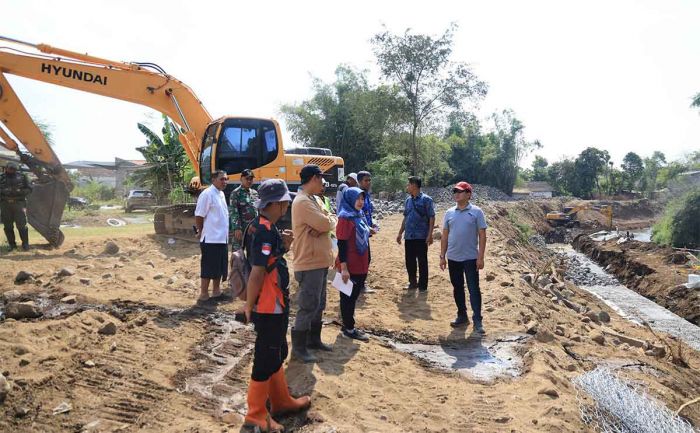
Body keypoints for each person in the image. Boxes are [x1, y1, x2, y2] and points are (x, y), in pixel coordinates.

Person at [242, 179, 310, 432]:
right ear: (278, 204)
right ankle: (256, 415)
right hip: (268, 305)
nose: (287, 206)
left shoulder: (262, 227)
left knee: (276, 352)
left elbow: (268, 261)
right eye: (285, 202)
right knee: (265, 357)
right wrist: (249, 306)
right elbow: (258, 272)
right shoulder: (264, 231)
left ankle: (280, 401)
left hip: (275, 303)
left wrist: (286, 246)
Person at [291, 164, 337, 363]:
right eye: (321, 179)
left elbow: (331, 219)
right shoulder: (302, 202)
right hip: (308, 263)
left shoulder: (315, 200)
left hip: (320, 261)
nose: (323, 183)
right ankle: (299, 348)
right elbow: (326, 223)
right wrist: (325, 223)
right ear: (314, 179)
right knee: (308, 305)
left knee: (319, 304)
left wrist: (326, 223)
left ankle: (313, 340)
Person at [439, 181, 488, 332]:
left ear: (468, 194)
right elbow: (444, 236)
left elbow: (482, 235)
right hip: (453, 257)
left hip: (470, 258)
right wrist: (442, 256)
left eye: (460, 191)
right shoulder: (449, 213)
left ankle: (477, 320)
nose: (456, 194)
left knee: (474, 288)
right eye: (455, 191)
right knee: (457, 287)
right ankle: (462, 315)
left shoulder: (477, 212)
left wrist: (480, 257)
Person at [336, 186, 371, 341]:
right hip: (350, 265)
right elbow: (341, 244)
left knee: (354, 295)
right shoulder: (345, 218)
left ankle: (348, 325)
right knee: (347, 297)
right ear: (350, 199)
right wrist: (344, 268)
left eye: (362, 199)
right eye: (357, 198)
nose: (360, 202)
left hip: (361, 263)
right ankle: (349, 328)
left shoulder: (358, 215)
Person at [194, 170, 229, 302]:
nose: (224, 182)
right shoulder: (207, 194)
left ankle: (216, 292)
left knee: (219, 267)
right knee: (208, 267)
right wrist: (200, 230)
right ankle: (204, 294)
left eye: (226, 179)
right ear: (213, 180)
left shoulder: (221, 194)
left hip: (222, 238)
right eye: (222, 179)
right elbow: (199, 215)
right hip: (210, 238)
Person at [396, 176, 435, 292]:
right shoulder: (408, 200)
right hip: (409, 236)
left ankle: (423, 286)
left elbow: (432, 217)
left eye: (408, 184)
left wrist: (430, 234)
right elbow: (405, 218)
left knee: (422, 261)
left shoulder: (426, 200)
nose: (407, 187)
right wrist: (400, 233)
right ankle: (412, 282)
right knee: (410, 261)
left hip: (421, 236)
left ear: (414, 185)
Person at [0, 161, 32, 251]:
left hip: (19, 203)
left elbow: (30, 188)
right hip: (5, 204)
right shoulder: (1, 177)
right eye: (10, 168)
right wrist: (4, 191)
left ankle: (25, 244)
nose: (11, 170)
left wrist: (19, 192)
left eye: (13, 169)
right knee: (8, 226)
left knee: (22, 225)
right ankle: (12, 245)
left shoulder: (22, 176)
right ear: (6, 168)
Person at [356, 170, 377, 293]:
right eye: (366, 180)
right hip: (359, 232)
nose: (368, 183)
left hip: (366, 232)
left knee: (366, 258)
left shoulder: (366, 195)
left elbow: (367, 213)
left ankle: (360, 284)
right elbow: (357, 215)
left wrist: (372, 223)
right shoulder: (357, 195)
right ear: (359, 182)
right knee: (364, 258)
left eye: (369, 180)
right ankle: (360, 285)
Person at [229, 169, 258, 250]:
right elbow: (233, 211)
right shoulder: (236, 193)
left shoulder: (255, 193)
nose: (249, 181)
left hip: (253, 229)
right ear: (241, 179)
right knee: (238, 254)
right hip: (241, 229)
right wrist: (237, 228)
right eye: (247, 178)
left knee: (253, 253)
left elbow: (257, 210)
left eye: (251, 179)